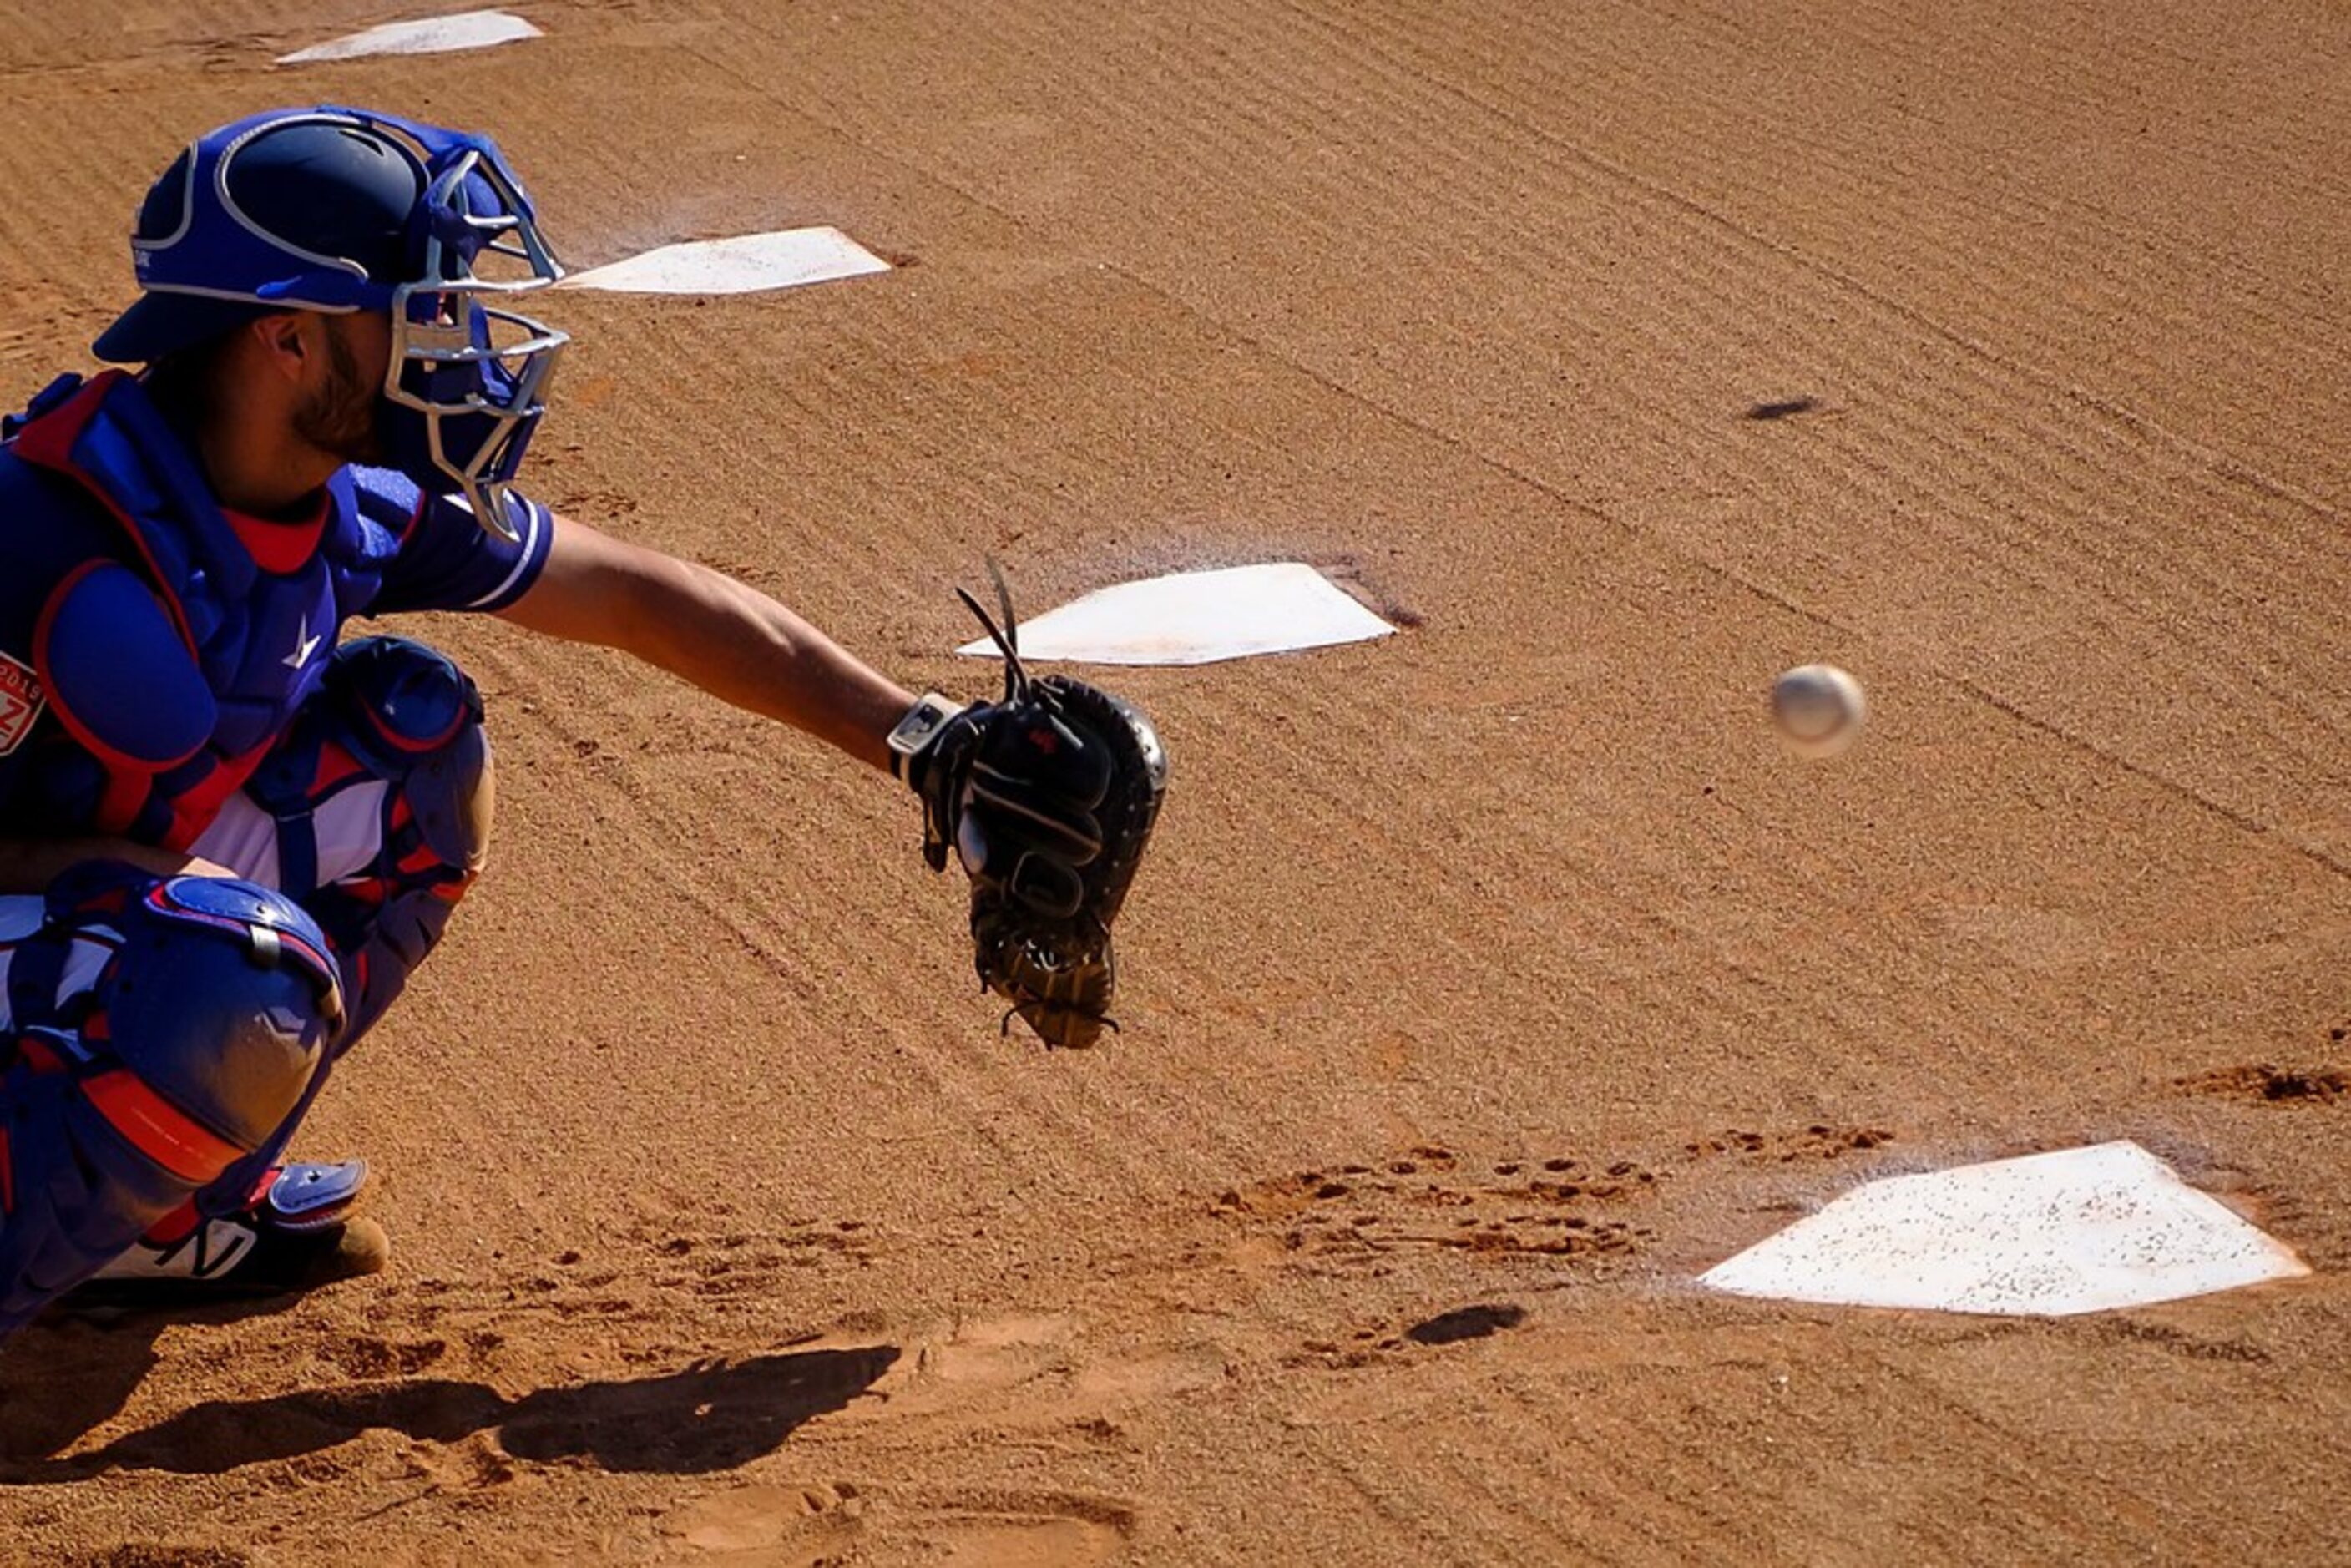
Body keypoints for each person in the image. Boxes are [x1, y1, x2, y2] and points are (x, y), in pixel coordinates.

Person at [0, 104, 984, 1338]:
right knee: (221, 967)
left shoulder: (343, 503)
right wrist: (169, 895)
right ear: (289, 339)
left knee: (417, 748)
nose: (457, 343)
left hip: (65, 932)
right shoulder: (43, 542)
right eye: (414, 309)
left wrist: (926, 742)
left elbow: (635, 593)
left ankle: (149, 1227)